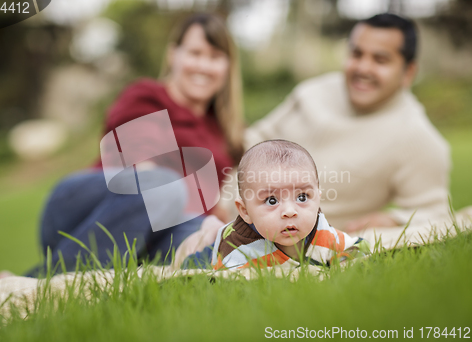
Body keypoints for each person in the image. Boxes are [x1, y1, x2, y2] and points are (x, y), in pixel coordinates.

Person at [23, 13, 244, 277]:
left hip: (157, 231)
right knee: (164, 187)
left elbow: (214, 201)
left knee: (215, 247)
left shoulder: (222, 131)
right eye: (195, 53)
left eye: (215, 57)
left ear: (228, 66)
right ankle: (35, 282)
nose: (203, 66)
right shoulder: (146, 96)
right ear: (173, 55)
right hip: (85, 211)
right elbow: (141, 168)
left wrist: (216, 227)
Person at [240, 13, 451, 233]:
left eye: (380, 60)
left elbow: (435, 213)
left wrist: (394, 219)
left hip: (277, 240)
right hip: (218, 204)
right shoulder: (312, 92)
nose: (363, 68)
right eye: (356, 54)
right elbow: (254, 138)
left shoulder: (416, 136)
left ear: (408, 73)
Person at [174, 140, 367, 270]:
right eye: (271, 201)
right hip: (216, 246)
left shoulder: (323, 234)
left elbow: (357, 250)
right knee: (188, 258)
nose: (290, 212)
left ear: (318, 200)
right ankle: (208, 232)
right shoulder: (238, 251)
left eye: (302, 197)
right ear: (245, 211)